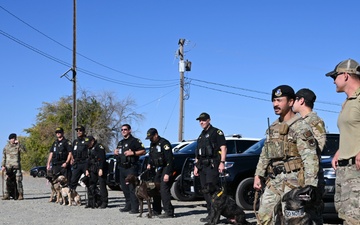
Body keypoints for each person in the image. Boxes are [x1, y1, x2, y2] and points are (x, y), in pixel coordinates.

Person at [253, 85, 319, 225]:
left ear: (290, 102)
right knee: (264, 217)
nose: (275, 104)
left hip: (294, 182)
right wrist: (258, 175)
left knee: (293, 220)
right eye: (274, 100)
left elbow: (310, 158)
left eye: (279, 100)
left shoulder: (300, 126)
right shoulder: (273, 128)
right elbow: (265, 154)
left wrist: (310, 186)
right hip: (274, 180)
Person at [327, 58, 360, 224]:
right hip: (345, 170)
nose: (333, 81)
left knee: (355, 219)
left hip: (357, 170)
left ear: (346, 75)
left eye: (335, 76)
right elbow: (352, 131)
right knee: (345, 216)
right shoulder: (346, 103)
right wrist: (340, 152)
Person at [293, 88, 326, 224]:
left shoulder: (315, 121)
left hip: (312, 175)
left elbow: (319, 146)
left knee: (313, 214)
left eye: (294, 99)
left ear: (301, 100)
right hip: (299, 174)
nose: (292, 103)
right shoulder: (297, 121)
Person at [193, 112, 227, 223]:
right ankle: (210, 215)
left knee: (212, 192)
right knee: (205, 191)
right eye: (200, 121)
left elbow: (223, 148)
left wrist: (222, 162)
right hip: (202, 166)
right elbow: (198, 153)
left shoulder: (216, 132)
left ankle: (215, 217)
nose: (201, 122)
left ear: (209, 120)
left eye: (203, 120)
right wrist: (196, 166)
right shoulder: (201, 135)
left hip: (212, 165)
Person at [114, 124, 146, 214]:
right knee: (124, 188)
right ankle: (128, 205)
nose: (123, 131)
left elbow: (143, 151)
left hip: (131, 167)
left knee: (132, 188)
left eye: (125, 129)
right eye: (122, 130)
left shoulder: (135, 141)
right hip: (122, 167)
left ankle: (135, 208)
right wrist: (115, 152)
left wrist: (133, 153)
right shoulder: (120, 142)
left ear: (129, 130)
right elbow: (118, 154)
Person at [146, 128, 175, 218]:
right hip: (157, 170)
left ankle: (169, 211)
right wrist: (149, 163)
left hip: (165, 168)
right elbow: (151, 156)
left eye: (151, 137)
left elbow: (170, 159)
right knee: (154, 188)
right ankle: (156, 210)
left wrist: (167, 173)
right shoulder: (152, 144)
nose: (150, 139)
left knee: (163, 190)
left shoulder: (164, 143)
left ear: (156, 135)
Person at [85, 136, 108, 209]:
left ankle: (104, 202)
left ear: (92, 141)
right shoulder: (89, 149)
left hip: (100, 168)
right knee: (91, 185)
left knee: (102, 185)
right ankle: (91, 202)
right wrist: (86, 169)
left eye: (89, 143)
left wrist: (101, 168)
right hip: (92, 168)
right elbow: (87, 160)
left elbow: (102, 158)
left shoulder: (99, 147)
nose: (88, 145)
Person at [1, 133, 26, 200]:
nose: (13, 140)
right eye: (11, 138)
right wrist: (3, 165)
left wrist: (19, 144)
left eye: (14, 138)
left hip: (16, 167)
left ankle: (20, 194)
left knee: (18, 180)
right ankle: (7, 195)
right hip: (8, 167)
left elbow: (24, 151)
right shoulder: (6, 147)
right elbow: (4, 157)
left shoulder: (18, 146)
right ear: (9, 139)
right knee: (7, 180)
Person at [69, 125, 88, 195]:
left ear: (83, 131)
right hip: (77, 163)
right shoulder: (75, 141)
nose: (79, 132)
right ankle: (71, 197)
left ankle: (92, 199)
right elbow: (72, 152)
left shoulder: (86, 140)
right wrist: (71, 159)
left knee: (88, 180)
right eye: (77, 131)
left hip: (85, 162)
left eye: (80, 130)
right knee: (73, 181)